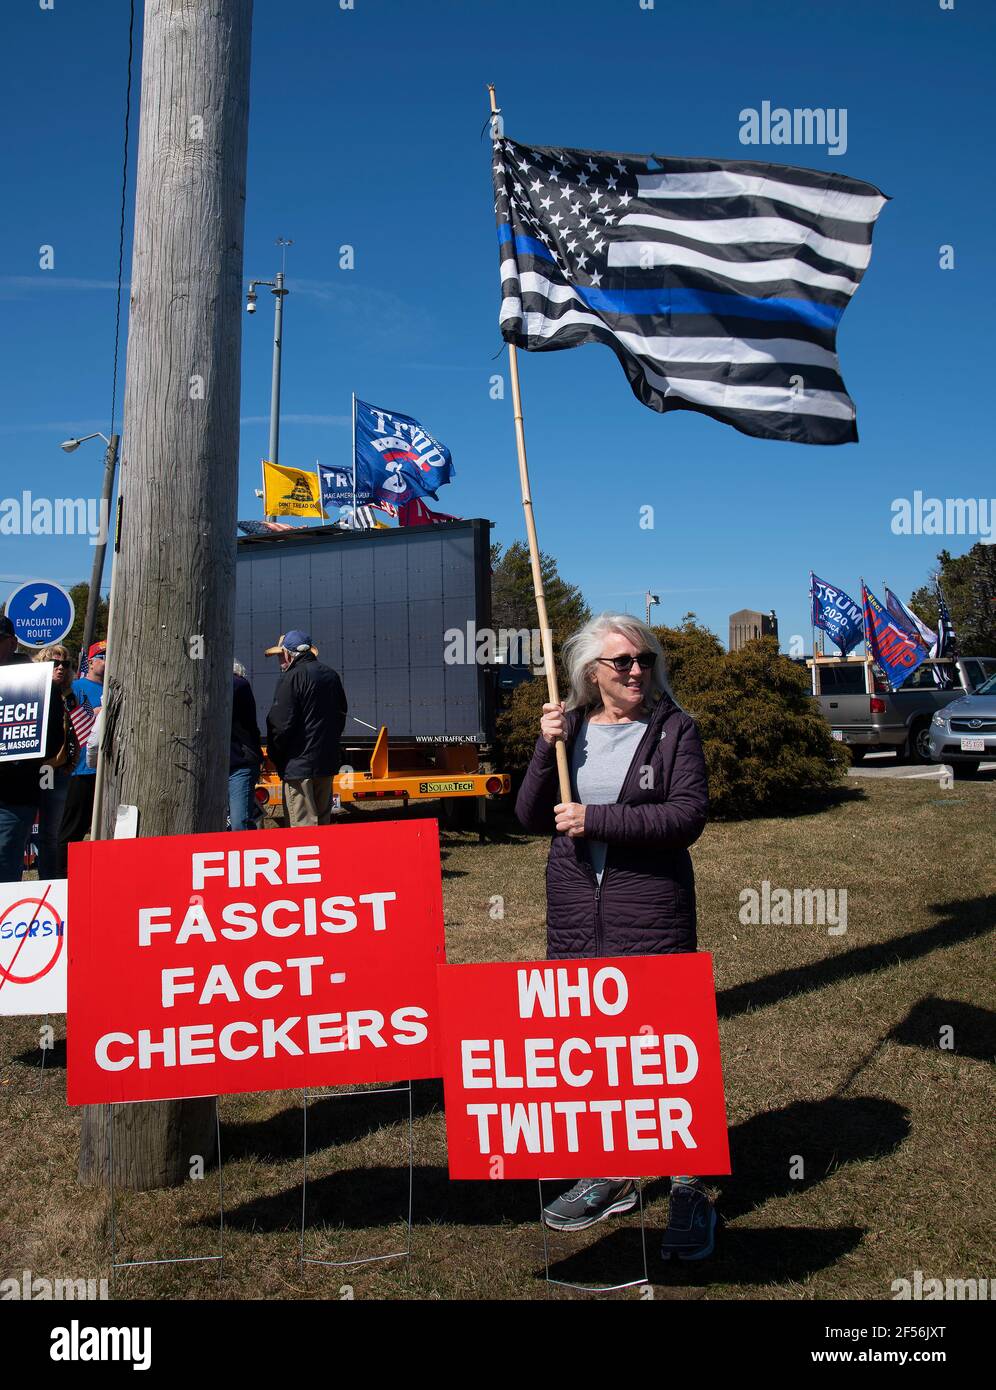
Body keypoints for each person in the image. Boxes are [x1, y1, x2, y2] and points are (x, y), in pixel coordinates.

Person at [514, 612, 714, 1260]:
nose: (635, 672)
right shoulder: (569, 730)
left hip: (650, 915)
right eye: (621, 662)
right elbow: (525, 814)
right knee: (594, 1052)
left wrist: (595, 817)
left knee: (664, 1054)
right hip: (576, 918)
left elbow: (686, 817)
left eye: (644, 660)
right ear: (590, 674)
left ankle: (689, 1190)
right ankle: (610, 1173)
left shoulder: (675, 731)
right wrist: (546, 746)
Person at [0, 616, 65, 882]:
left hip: (12, 795)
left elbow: (51, 740)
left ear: (12, 642)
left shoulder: (35, 683)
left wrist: (15, 753)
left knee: (3, 865)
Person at [265, 630, 347, 827]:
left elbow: (280, 725)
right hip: (326, 763)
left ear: (288, 654)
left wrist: (275, 756)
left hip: (298, 767)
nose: (278, 660)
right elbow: (341, 716)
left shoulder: (291, 678)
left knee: (303, 829)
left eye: (279, 655)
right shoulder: (331, 676)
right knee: (323, 823)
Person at [56, 639, 106, 875]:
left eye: (109, 657)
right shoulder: (76, 687)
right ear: (92, 661)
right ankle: (62, 873)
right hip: (82, 768)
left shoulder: (113, 688)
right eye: (102, 657)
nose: (106, 662)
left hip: (107, 770)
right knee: (73, 829)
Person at [32, 643, 78, 879]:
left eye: (65, 664)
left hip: (58, 772)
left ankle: (48, 882)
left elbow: (82, 730)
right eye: (55, 663)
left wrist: (72, 762)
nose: (61, 668)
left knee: (51, 833)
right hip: (29, 772)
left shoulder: (70, 695)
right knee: (19, 831)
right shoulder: (31, 693)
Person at [230, 659, 263, 831]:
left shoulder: (238, 685)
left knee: (238, 823)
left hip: (240, 764)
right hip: (227, 764)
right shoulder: (238, 685)